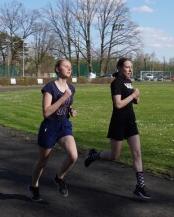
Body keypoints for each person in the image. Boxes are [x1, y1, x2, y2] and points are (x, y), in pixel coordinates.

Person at [84, 57, 151, 199]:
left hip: (130, 122)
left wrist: (135, 99)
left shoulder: (128, 82)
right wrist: (133, 95)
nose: (130, 70)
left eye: (131, 67)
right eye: (127, 67)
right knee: (115, 155)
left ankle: (140, 186)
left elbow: (128, 100)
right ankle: (93, 155)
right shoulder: (116, 83)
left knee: (137, 152)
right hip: (118, 122)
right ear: (119, 68)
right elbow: (118, 105)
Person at [28, 59, 78, 202]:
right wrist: (64, 98)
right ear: (57, 69)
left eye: (70, 67)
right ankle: (34, 186)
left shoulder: (71, 89)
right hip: (49, 127)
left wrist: (70, 110)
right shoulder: (50, 87)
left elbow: (65, 106)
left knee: (73, 156)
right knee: (43, 162)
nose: (69, 69)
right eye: (66, 66)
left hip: (63, 125)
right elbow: (46, 112)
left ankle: (59, 177)